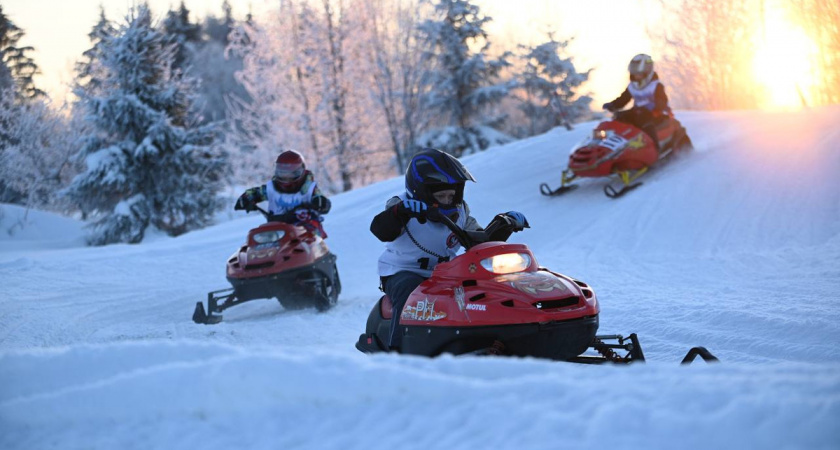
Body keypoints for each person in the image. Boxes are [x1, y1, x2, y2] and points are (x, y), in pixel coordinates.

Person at [370, 148, 529, 351]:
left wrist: (505, 225)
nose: (447, 200)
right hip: (402, 272)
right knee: (410, 292)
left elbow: (479, 243)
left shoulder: (460, 211)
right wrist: (400, 212)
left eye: (451, 195)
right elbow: (381, 230)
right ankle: (398, 354)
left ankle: (493, 338)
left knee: (483, 288)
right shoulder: (401, 205)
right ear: (422, 191)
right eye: (441, 195)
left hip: (445, 274)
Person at [234, 150, 331, 235]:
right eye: (282, 174)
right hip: (277, 231)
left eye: (291, 174)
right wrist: (246, 198)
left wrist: (321, 202)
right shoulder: (271, 188)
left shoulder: (309, 189)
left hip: (306, 231)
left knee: (308, 235)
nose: (286, 178)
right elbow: (256, 192)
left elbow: (322, 201)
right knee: (257, 238)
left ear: (300, 172)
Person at [602, 53, 671, 153]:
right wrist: (613, 105)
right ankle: (618, 147)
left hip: (656, 114)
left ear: (647, 73)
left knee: (644, 118)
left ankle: (654, 149)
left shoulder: (656, 85)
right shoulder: (632, 86)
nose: (636, 76)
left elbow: (662, 100)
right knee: (620, 117)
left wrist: (658, 108)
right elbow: (623, 99)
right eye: (634, 74)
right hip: (639, 113)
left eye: (639, 74)